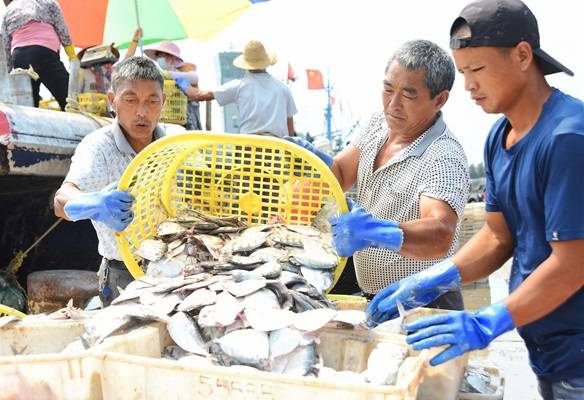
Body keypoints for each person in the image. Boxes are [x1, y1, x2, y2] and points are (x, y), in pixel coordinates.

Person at [366, 1, 584, 398]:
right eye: (463, 72)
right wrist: (434, 278)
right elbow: (498, 237)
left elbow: (573, 264)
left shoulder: (568, 138)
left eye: (477, 70)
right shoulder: (499, 138)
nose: (468, 86)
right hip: (550, 349)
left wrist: (487, 322)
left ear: (522, 56)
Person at [287, 40, 470, 310]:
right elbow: (339, 174)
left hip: (427, 302)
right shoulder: (378, 123)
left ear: (439, 99)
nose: (393, 105)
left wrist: (378, 233)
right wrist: (314, 161)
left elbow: (441, 233)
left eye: (408, 95)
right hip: (377, 299)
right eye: (387, 89)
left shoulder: (443, 155)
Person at [54, 57, 167, 306]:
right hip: (123, 274)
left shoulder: (175, 142)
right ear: (112, 100)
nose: (142, 111)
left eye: (152, 100)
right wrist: (93, 203)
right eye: (130, 99)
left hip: (177, 269)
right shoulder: (98, 147)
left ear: (163, 102)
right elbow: (61, 202)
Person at [186, 39, 298, 138]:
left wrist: (178, 79)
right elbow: (290, 130)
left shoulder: (239, 86)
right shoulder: (283, 88)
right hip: (277, 149)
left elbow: (199, 95)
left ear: (246, 65)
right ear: (266, 63)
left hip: (248, 148)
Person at [0, 0, 76, 110]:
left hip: (20, 59)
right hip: (45, 55)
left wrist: (8, 72)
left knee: (29, 109)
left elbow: (5, 44)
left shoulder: (9, 9)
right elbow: (62, 30)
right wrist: (72, 56)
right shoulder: (49, 3)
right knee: (69, 101)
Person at [143, 40, 199, 127]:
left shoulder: (180, 76)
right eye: (158, 56)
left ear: (171, 57)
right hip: (164, 121)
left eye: (162, 55)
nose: (159, 58)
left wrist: (168, 75)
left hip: (183, 121)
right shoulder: (159, 78)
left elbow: (194, 79)